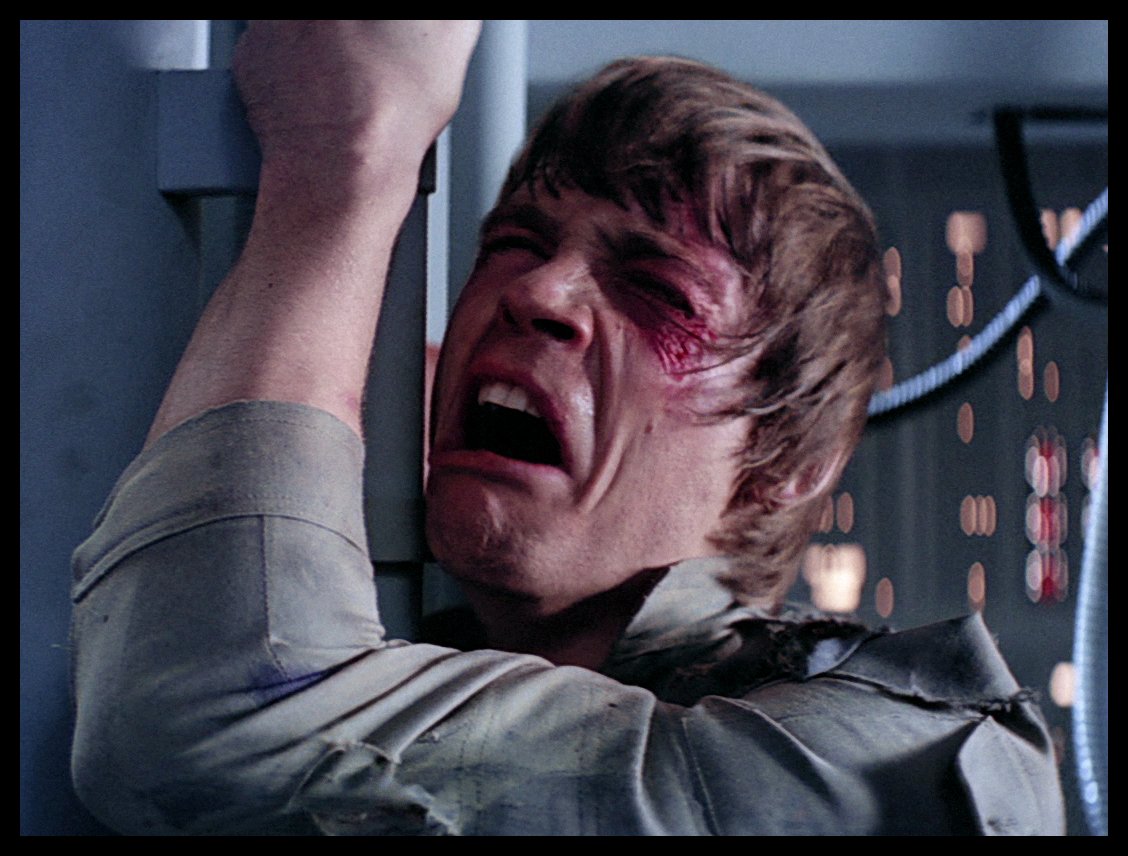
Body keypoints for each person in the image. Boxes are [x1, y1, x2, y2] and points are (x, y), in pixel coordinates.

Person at [70, 22, 1064, 835]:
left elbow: (195, 720)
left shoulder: (894, 765)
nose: (538, 292)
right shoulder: (383, 623)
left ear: (784, 457)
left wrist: (346, 156)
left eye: (657, 289)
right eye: (515, 243)